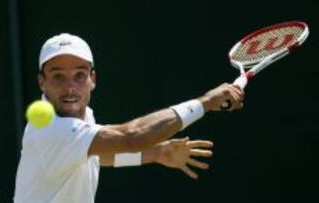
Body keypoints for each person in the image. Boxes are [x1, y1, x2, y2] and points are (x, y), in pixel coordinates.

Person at [14, 33, 244, 203]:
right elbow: (132, 137)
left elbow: (96, 157)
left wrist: (156, 153)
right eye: (58, 77)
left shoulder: (81, 120)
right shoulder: (52, 130)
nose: (70, 88)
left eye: (79, 76)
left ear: (93, 79)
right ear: (41, 81)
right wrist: (205, 103)